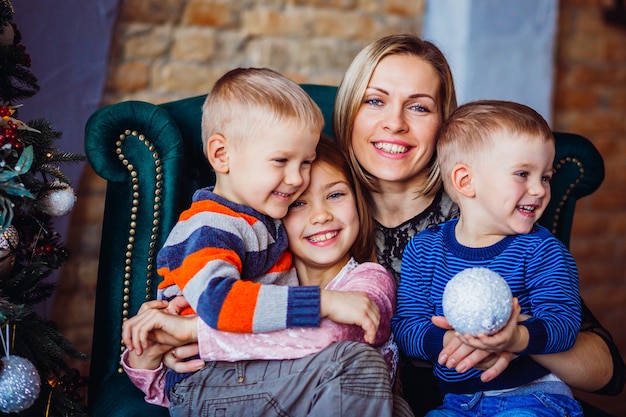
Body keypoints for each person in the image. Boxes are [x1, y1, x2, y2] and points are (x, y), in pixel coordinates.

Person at [331, 33, 624, 416]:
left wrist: (510, 341)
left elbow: (608, 373)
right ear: (349, 110)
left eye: (419, 108)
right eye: (374, 100)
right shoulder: (316, 205)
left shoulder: (487, 214)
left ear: (444, 124)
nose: (395, 123)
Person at [121, 67, 395, 416]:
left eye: (306, 162)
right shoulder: (211, 226)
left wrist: (192, 332)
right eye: (281, 161)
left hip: (262, 382)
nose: (296, 179)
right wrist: (322, 302)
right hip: (215, 381)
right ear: (221, 156)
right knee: (357, 366)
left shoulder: (264, 228)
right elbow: (219, 305)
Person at [391, 99, 584, 416]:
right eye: (523, 174)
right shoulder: (424, 250)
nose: (538, 190)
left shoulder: (543, 250)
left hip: (535, 396)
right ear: (466, 181)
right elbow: (406, 327)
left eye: (545, 177)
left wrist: (516, 338)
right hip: (457, 401)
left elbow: (564, 326)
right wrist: (451, 340)